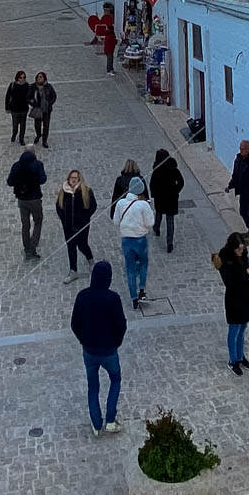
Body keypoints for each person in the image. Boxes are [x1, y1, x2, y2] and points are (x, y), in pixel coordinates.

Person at [69, 260, 126, 436]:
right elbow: (121, 325)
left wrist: (83, 340)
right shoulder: (113, 299)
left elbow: (74, 324)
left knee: (93, 386)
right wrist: (116, 342)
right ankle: (110, 419)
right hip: (109, 350)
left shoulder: (82, 296)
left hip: (89, 351)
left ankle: (96, 423)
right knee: (115, 380)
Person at [213, 233, 249, 375]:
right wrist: (246, 274)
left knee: (242, 328)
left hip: (245, 296)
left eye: (242, 248)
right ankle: (233, 360)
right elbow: (230, 281)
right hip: (234, 298)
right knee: (234, 330)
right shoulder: (226, 260)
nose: (241, 251)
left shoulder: (243, 255)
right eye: (238, 249)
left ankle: (240, 356)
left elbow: (248, 271)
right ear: (233, 248)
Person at [111, 175, 154, 308]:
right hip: (140, 240)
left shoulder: (120, 203)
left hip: (127, 240)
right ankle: (142, 290)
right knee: (143, 264)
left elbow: (116, 221)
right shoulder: (143, 205)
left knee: (130, 269)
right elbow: (150, 223)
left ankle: (134, 298)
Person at [56, 169, 97, 284]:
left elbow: (93, 206)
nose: (73, 180)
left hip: (82, 225)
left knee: (82, 244)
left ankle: (91, 261)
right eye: (71, 178)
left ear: (79, 179)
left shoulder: (86, 191)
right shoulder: (63, 191)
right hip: (68, 226)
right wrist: (64, 220)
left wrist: (85, 218)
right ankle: (73, 270)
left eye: (75, 178)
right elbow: (59, 207)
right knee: (71, 247)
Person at [7, 148, 47, 259]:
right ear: (34, 152)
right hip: (34, 199)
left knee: (25, 225)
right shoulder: (38, 164)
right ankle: (33, 247)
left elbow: (9, 182)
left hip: (22, 200)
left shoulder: (16, 165)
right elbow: (43, 179)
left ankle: (26, 247)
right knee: (38, 222)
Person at [148, 147, 184, 253]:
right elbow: (181, 182)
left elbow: (152, 184)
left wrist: (154, 194)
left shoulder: (157, 170)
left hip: (160, 197)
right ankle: (169, 242)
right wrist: (176, 191)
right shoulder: (174, 169)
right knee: (170, 221)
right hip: (171, 198)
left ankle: (156, 228)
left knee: (158, 214)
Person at [28, 70, 57, 148]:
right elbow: (29, 97)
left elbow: (54, 96)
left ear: (44, 78)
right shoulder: (33, 87)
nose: (39, 78)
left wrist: (49, 103)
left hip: (46, 110)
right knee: (37, 125)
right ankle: (38, 135)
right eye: (38, 77)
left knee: (46, 125)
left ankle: (44, 140)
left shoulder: (48, 87)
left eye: (41, 77)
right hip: (37, 109)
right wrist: (33, 103)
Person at [5, 70, 32, 145]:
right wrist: (7, 107)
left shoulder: (27, 86)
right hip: (15, 109)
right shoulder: (13, 85)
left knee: (23, 125)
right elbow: (7, 96)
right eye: (21, 77)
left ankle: (21, 138)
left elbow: (30, 96)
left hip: (24, 109)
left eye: (24, 77)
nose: (22, 79)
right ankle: (14, 134)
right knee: (15, 125)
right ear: (17, 78)